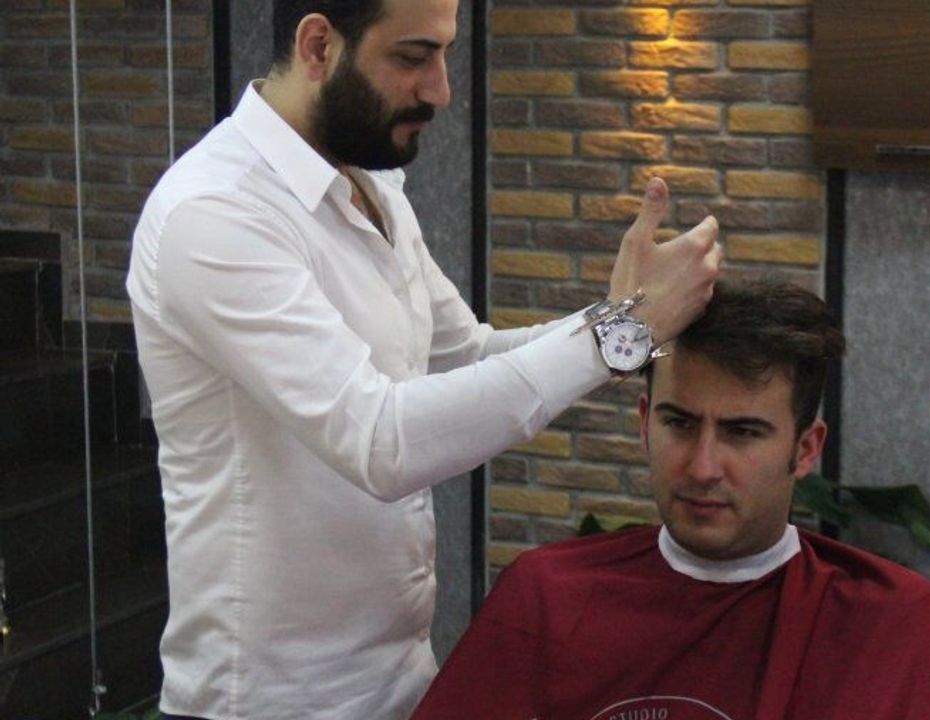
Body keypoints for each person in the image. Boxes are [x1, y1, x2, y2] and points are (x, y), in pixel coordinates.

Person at [125, 0, 721, 717]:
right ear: (318, 47)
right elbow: (381, 440)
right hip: (269, 701)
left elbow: (464, 355)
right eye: (412, 57)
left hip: (400, 679)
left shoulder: (371, 187)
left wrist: (617, 316)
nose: (440, 90)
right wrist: (622, 334)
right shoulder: (214, 212)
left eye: (444, 54)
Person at [412, 279, 930, 720]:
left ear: (806, 448)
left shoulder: (908, 633)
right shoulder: (549, 598)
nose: (703, 467)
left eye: (743, 433)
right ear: (644, 423)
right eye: (680, 424)